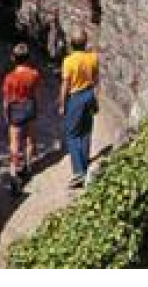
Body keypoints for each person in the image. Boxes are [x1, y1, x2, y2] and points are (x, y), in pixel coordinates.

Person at [59, 31, 99, 188]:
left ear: (71, 43)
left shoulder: (68, 61)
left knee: (72, 134)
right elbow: (96, 78)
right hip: (89, 94)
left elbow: (65, 85)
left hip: (75, 97)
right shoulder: (93, 57)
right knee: (86, 130)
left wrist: (62, 104)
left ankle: (79, 172)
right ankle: (85, 161)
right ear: (85, 42)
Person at [1, 43, 41, 194]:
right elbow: (35, 91)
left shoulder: (9, 78)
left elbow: (6, 100)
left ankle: (14, 173)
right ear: (28, 58)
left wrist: (6, 115)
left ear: (14, 58)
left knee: (14, 143)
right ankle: (28, 167)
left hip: (16, 108)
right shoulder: (34, 74)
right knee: (30, 139)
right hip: (30, 105)